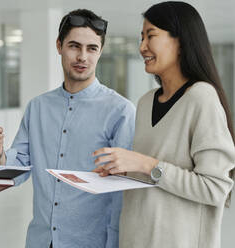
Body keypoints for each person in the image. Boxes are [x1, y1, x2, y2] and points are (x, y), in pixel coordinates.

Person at [0, 9, 135, 248]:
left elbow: (123, 192)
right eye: (74, 46)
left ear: (100, 52)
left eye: (92, 49)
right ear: (59, 46)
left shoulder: (120, 111)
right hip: (41, 240)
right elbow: (20, 168)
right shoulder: (37, 108)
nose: (82, 57)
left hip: (92, 242)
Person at [93, 2, 235, 248]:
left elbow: (214, 188)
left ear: (181, 42)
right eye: (141, 37)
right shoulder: (146, 102)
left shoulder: (201, 97)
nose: (142, 47)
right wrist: (123, 171)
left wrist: (145, 164)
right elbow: (153, 177)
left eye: (151, 36)